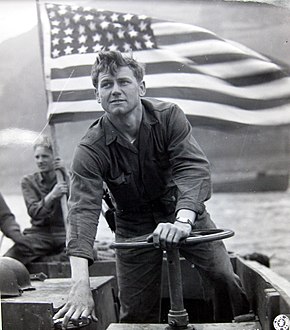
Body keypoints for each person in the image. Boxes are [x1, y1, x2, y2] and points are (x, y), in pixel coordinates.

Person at [54, 50, 250, 327]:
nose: (116, 90)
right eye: (106, 85)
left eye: (124, 82)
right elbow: (82, 213)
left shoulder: (169, 117)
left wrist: (183, 220)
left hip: (182, 211)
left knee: (223, 277)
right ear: (97, 96)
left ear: (141, 87)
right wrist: (80, 285)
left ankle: (235, 322)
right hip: (133, 225)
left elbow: (192, 170)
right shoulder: (90, 148)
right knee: (135, 313)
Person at [4, 135, 69, 265]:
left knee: (89, 252)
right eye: (37, 157)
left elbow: (78, 205)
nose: (40, 161)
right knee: (9, 259)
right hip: (39, 236)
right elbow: (34, 212)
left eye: (45, 156)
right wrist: (52, 195)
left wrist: (66, 174)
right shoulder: (28, 182)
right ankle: (50, 260)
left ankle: (45, 260)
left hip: (64, 233)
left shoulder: (66, 179)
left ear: (54, 158)